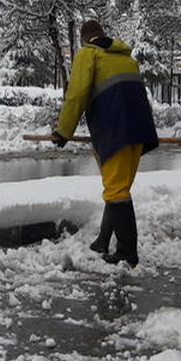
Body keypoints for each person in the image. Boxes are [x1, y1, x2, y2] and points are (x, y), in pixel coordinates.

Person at [52, 20, 158, 265]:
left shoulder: (89, 55)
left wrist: (63, 131)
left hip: (116, 130)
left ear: (84, 39)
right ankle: (102, 240)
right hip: (139, 130)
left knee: (117, 191)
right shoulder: (126, 57)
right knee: (117, 186)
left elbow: (76, 94)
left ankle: (127, 253)